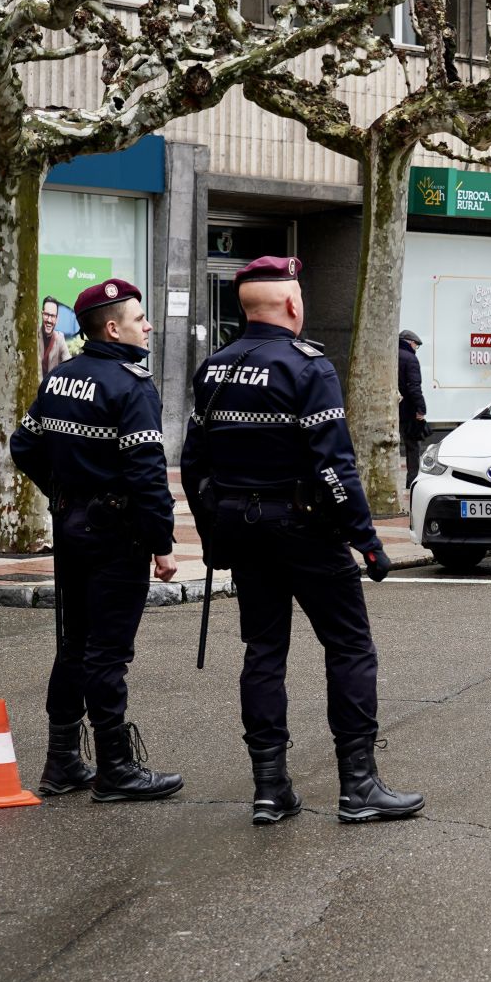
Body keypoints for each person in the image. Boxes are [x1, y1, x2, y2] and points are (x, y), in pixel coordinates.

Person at [182, 255, 423, 827]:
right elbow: (335, 467)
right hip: (305, 530)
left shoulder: (212, 369)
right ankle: (358, 787)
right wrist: (367, 541)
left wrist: (212, 532)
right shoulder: (308, 367)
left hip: (243, 530)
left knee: (264, 653)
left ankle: (270, 790)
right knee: (349, 648)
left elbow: (194, 464)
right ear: (292, 303)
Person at [9, 278, 184, 802]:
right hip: (116, 535)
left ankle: (61, 762)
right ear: (113, 328)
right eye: (139, 318)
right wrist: (162, 542)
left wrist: (63, 493)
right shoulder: (131, 386)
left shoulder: (61, 377)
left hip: (72, 527)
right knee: (107, 653)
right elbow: (148, 475)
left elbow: (24, 445)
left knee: (74, 645)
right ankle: (116, 769)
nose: (147, 325)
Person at [399, 330, 426, 491]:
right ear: (409, 342)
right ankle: (412, 481)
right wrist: (421, 409)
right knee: (413, 446)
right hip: (408, 410)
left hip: (392, 407)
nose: (416, 348)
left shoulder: (391, 355)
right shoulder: (410, 359)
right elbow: (414, 387)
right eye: (416, 345)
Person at [40, 297, 72, 377]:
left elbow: (69, 365)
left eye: (53, 316)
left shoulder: (59, 338)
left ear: (57, 319)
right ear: (42, 314)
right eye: (47, 315)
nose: (49, 320)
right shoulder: (33, 336)